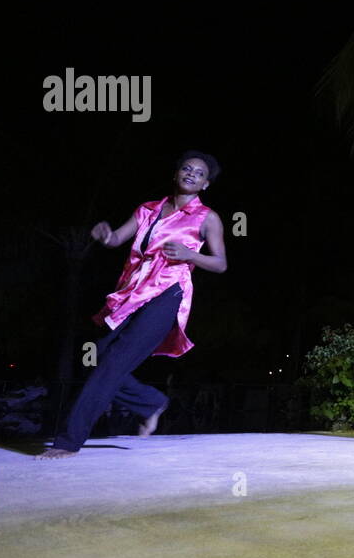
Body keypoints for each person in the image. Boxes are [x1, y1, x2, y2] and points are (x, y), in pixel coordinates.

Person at [38, 151, 227, 458]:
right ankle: (150, 403)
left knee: (115, 362)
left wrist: (190, 254)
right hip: (133, 291)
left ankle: (67, 442)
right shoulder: (147, 209)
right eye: (186, 169)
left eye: (200, 173)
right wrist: (106, 235)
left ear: (205, 184)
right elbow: (116, 239)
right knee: (98, 357)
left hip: (169, 292)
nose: (191, 174)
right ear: (176, 173)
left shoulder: (207, 218)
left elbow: (220, 264)